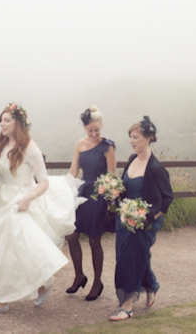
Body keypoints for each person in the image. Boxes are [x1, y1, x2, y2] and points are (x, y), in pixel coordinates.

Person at [0, 103, 84, 316]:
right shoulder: (0, 145)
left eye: (7, 120)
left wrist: (27, 199)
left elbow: (43, 182)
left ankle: (37, 286)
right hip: (0, 198)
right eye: (1, 120)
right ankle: (3, 299)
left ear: (18, 123)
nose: (2, 124)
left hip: (21, 200)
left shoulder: (30, 147)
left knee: (18, 250)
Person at [110, 116, 174, 321]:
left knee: (131, 259)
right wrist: (114, 192)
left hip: (144, 223)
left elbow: (167, 198)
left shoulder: (155, 168)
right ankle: (152, 285)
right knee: (130, 256)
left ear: (148, 138)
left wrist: (148, 218)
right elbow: (124, 187)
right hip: (124, 220)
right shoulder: (131, 159)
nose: (131, 141)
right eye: (130, 137)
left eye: (135, 137)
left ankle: (126, 306)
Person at [65, 106, 116, 301]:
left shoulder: (108, 147)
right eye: (90, 130)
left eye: (97, 130)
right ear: (85, 128)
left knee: (94, 240)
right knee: (71, 236)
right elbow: (73, 172)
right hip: (82, 193)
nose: (94, 134)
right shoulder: (79, 144)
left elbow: (112, 176)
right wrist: (61, 187)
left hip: (99, 196)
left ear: (102, 126)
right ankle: (79, 275)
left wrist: (109, 203)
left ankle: (97, 282)